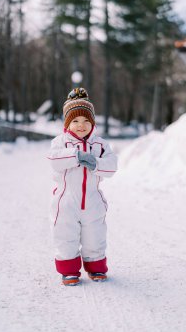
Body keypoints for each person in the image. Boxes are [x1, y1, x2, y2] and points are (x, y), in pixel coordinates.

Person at [48, 87, 117, 286]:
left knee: (94, 235)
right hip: (66, 201)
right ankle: (69, 270)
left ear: (93, 123)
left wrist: (96, 163)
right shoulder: (60, 143)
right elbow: (54, 159)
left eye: (87, 120)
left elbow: (112, 166)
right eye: (75, 121)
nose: (81, 125)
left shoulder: (100, 145)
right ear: (68, 123)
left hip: (93, 201)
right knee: (65, 235)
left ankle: (96, 267)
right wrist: (75, 156)